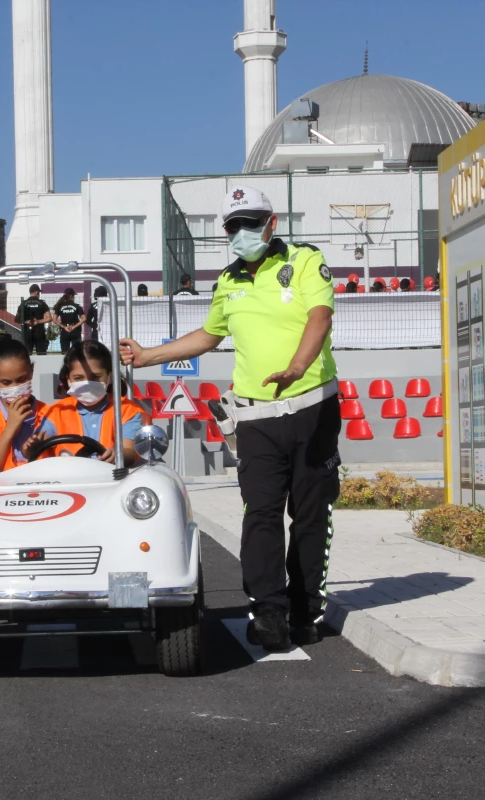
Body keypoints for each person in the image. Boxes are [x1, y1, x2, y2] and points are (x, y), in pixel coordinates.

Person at [119, 184, 340, 652]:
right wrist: (147, 356)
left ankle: (305, 610)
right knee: (259, 513)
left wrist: (298, 366)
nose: (243, 232)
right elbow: (207, 335)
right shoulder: (228, 281)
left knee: (309, 514)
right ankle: (269, 611)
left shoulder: (302, 261)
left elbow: (320, 317)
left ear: (271, 222)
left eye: (251, 222)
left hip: (313, 409)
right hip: (255, 418)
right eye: (234, 225)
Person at [41, 340, 149, 465]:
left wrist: (117, 455)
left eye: (95, 377)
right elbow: (40, 442)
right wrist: (33, 443)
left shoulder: (127, 410)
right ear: (68, 379)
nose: (87, 383)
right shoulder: (56, 411)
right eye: (78, 378)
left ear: (110, 377)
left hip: (111, 479)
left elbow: (129, 450)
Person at [0, 337, 57, 477]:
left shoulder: (51, 416)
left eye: (21, 380)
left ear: (31, 371)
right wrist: (9, 430)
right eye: (6, 382)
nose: (15, 388)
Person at [17, 284, 51, 355]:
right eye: (39, 292)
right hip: (39, 332)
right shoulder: (42, 303)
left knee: (27, 354)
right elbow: (49, 318)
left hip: (27, 332)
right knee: (41, 353)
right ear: (36, 292)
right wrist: (38, 321)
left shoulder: (23, 304)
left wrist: (26, 321)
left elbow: (17, 319)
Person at [53, 288, 85, 353]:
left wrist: (63, 327)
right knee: (77, 353)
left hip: (64, 330)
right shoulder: (76, 306)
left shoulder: (60, 306)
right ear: (71, 296)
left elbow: (54, 319)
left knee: (65, 352)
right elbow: (84, 318)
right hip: (75, 331)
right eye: (74, 295)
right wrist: (74, 327)